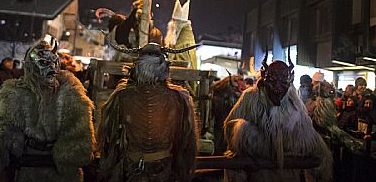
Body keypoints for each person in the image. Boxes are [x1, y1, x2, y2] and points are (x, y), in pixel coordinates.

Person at [0, 35, 95, 182]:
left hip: (58, 170)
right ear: (32, 66)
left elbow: (81, 136)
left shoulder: (71, 94)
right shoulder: (16, 93)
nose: (51, 68)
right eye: (44, 63)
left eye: (54, 62)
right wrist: (8, 156)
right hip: (26, 165)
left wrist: (67, 160)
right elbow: (0, 132)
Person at [97, 40, 198, 182]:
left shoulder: (122, 96)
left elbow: (108, 141)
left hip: (145, 169)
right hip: (149, 170)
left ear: (137, 67)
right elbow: (187, 145)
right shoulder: (179, 98)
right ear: (164, 68)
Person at [224, 54, 332, 182]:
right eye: (273, 81)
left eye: (283, 83)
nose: (277, 88)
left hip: (287, 174)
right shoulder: (251, 97)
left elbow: (311, 143)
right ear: (264, 79)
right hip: (258, 174)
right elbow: (230, 129)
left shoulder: (293, 100)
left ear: (289, 81)